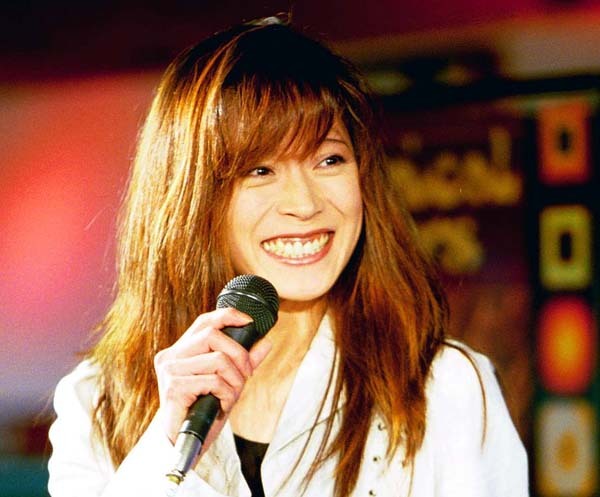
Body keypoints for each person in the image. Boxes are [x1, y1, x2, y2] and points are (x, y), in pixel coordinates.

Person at [47, 15, 529, 497]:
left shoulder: (446, 388)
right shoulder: (98, 401)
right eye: (260, 170)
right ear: (192, 195)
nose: (304, 203)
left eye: (329, 160)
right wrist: (166, 444)